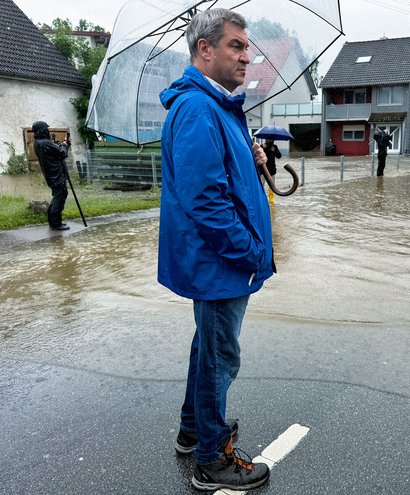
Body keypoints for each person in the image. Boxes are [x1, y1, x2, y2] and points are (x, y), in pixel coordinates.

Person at [157, 8, 273, 492]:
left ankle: (193, 429)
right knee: (220, 356)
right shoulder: (198, 108)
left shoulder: (219, 107)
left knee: (208, 348)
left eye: (247, 47)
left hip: (220, 264)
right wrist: (249, 251)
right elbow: (206, 200)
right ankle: (211, 458)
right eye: (236, 46)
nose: (247, 56)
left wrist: (253, 155)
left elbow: (223, 175)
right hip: (220, 264)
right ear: (205, 49)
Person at [32, 121, 70, 230]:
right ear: (42, 130)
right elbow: (62, 153)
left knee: (57, 196)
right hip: (56, 175)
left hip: (51, 176)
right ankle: (56, 223)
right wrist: (65, 145)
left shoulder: (37, 143)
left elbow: (54, 152)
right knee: (60, 197)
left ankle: (53, 221)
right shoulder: (45, 143)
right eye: (46, 129)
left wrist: (58, 145)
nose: (47, 131)